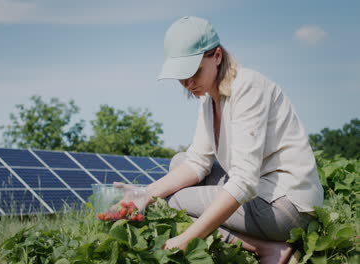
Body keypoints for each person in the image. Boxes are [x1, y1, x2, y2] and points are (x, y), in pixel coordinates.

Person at [119, 16, 324, 264]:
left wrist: (187, 238)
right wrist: (145, 194)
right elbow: (197, 163)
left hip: (287, 207)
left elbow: (245, 181)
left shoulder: (248, 88)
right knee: (179, 162)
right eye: (181, 75)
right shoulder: (209, 98)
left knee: (176, 201)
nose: (187, 82)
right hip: (263, 190)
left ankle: (267, 249)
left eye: (193, 71)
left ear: (217, 56)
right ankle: (267, 248)